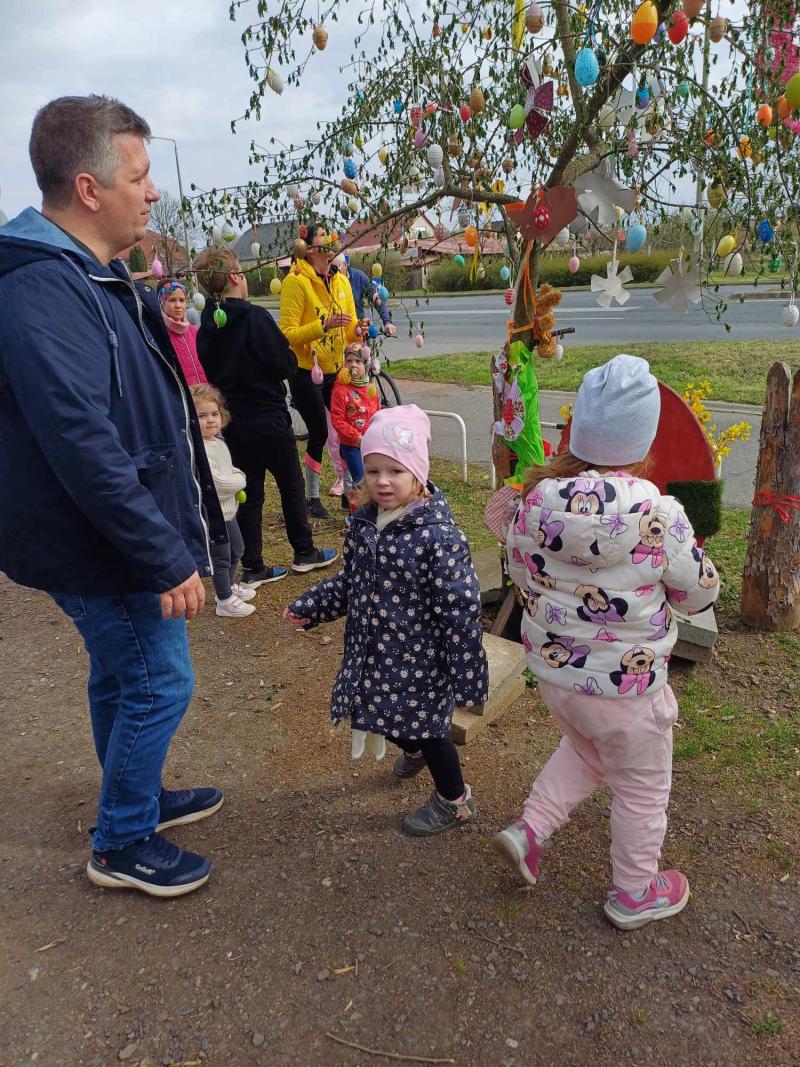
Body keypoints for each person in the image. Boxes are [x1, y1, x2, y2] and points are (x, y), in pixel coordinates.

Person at [0, 95, 227, 897]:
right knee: (160, 680)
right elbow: (82, 441)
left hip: (105, 532)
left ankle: (138, 794)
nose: (154, 192)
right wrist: (164, 553)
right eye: (140, 176)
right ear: (90, 189)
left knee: (119, 674)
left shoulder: (87, 274)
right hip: (99, 539)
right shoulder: (43, 287)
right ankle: (122, 837)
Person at [495, 354, 721, 930]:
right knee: (642, 788)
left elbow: (519, 572)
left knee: (586, 751)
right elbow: (698, 594)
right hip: (627, 690)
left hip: (558, 678)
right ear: (642, 440)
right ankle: (634, 892)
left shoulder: (533, 501)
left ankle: (530, 830)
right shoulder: (660, 514)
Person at [283, 406, 489, 836]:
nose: (382, 481)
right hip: (374, 652)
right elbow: (351, 582)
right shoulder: (365, 524)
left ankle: (455, 800)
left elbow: (461, 611)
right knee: (372, 708)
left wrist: (468, 677)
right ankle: (412, 748)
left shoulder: (438, 536)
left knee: (431, 731)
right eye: (374, 470)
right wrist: (313, 605)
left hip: (424, 662)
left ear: (418, 475)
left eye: (395, 471)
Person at [194, 245, 338, 580]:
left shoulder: (207, 327)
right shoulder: (254, 318)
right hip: (268, 415)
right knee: (290, 483)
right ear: (235, 276)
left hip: (234, 420)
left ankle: (253, 565)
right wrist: (288, 356)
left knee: (250, 491)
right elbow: (283, 364)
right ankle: (304, 550)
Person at [279, 222, 357, 517]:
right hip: (305, 370)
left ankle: (351, 492)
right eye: (323, 235)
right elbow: (287, 334)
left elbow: (349, 327)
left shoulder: (341, 280)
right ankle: (311, 497)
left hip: (337, 368)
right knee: (320, 432)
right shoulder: (296, 281)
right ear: (309, 248)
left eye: (330, 233)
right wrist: (322, 325)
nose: (331, 238)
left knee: (346, 428)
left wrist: (359, 330)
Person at [191, 384, 256, 618]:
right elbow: (216, 482)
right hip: (214, 513)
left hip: (229, 510)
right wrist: (240, 480)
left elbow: (228, 470)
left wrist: (236, 476)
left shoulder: (218, 442)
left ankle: (228, 586)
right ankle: (224, 599)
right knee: (221, 557)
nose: (210, 420)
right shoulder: (201, 449)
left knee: (237, 549)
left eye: (214, 414)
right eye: (202, 416)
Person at [329, 342, 381, 507]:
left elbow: (377, 415)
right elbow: (337, 420)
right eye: (349, 361)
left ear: (366, 365)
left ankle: (363, 508)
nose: (353, 365)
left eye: (358, 361)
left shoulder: (371, 389)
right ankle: (357, 514)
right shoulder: (340, 390)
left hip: (370, 444)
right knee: (360, 481)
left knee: (372, 478)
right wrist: (356, 438)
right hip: (351, 445)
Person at [331, 252, 396, 335]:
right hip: (336, 332)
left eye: (337, 270)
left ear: (345, 265)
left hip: (359, 330)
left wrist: (387, 322)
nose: (335, 274)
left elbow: (376, 299)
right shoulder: (330, 279)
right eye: (332, 270)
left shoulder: (359, 277)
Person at [157, 278, 207, 385]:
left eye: (182, 300)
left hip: (205, 392)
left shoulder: (196, 333)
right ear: (161, 302)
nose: (178, 305)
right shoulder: (158, 337)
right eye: (172, 300)